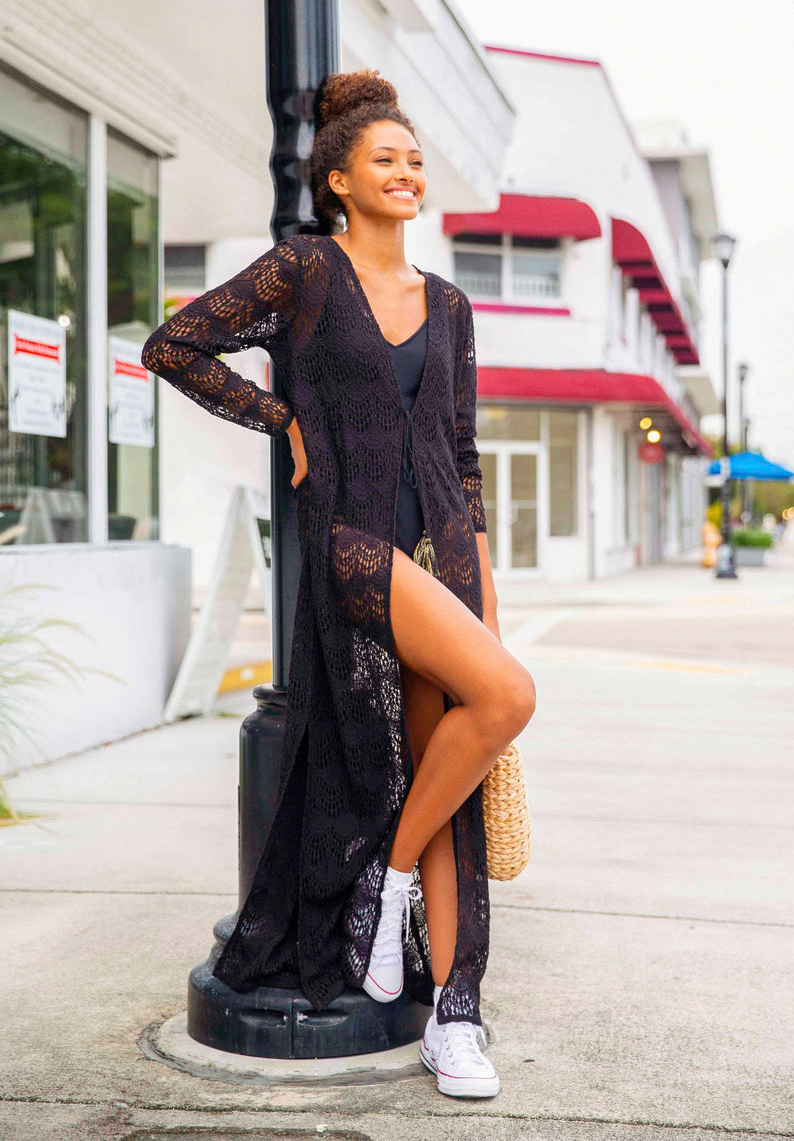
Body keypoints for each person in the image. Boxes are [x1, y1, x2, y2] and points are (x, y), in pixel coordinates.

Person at [141, 69, 536, 1099]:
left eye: (415, 161)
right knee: (509, 699)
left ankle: (454, 1017)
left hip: (444, 552)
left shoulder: (448, 306)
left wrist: (484, 590)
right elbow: (174, 345)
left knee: (452, 783)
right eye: (387, 161)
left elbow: (462, 450)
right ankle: (386, 884)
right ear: (338, 181)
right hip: (358, 547)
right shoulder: (305, 272)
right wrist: (281, 422)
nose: (408, 174)